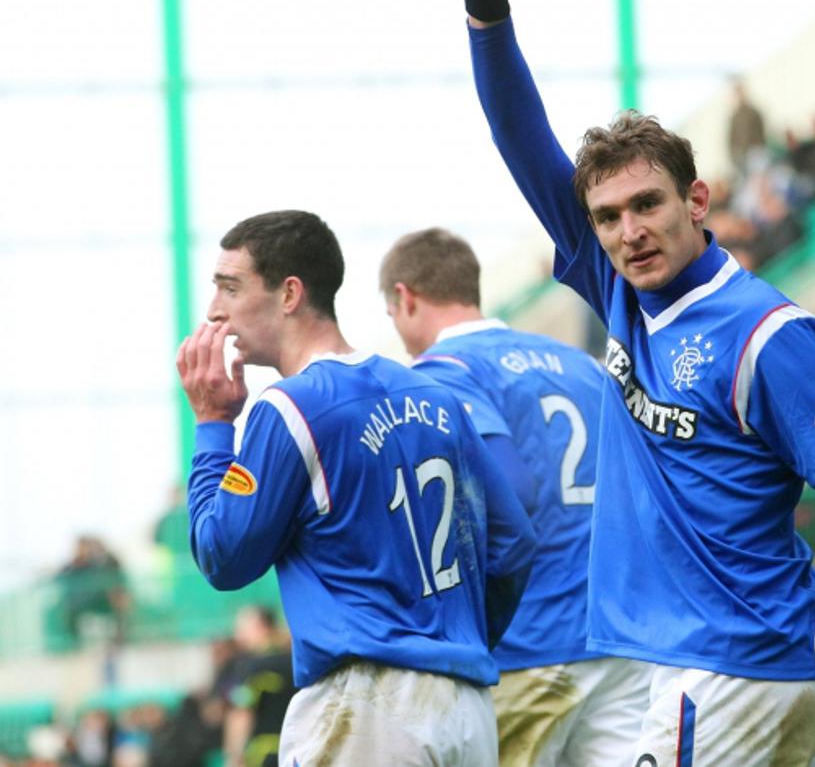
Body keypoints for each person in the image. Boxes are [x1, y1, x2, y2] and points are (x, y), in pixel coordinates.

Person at [442, 0, 815, 765]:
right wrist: (488, 11)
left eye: (648, 205)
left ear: (696, 200)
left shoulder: (766, 333)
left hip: (732, 673)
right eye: (608, 216)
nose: (628, 232)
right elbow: (521, 140)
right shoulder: (616, 286)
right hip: (775, 669)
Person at [175, 210, 536, 765]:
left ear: (290, 292)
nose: (213, 311)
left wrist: (213, 421)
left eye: (230, 287)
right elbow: (513, 546)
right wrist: (456, 643)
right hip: (466, 706)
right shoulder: (437, 396)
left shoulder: (289, 405)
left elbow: (222, 555)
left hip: (367, 709)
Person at [380, 228, 650, 766]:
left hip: (531, 647)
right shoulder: (579, 364)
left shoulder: (444, 373)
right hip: (621, 638)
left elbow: (511, 492)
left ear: (405, 298)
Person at [222, 606, 294, 767]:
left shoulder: (252, 668)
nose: (238, 636)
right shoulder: (296, 663)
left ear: (262, 627)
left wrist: (233, 757)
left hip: (262, 754)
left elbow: (241, 714)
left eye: (242, 629)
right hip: (298, 752)